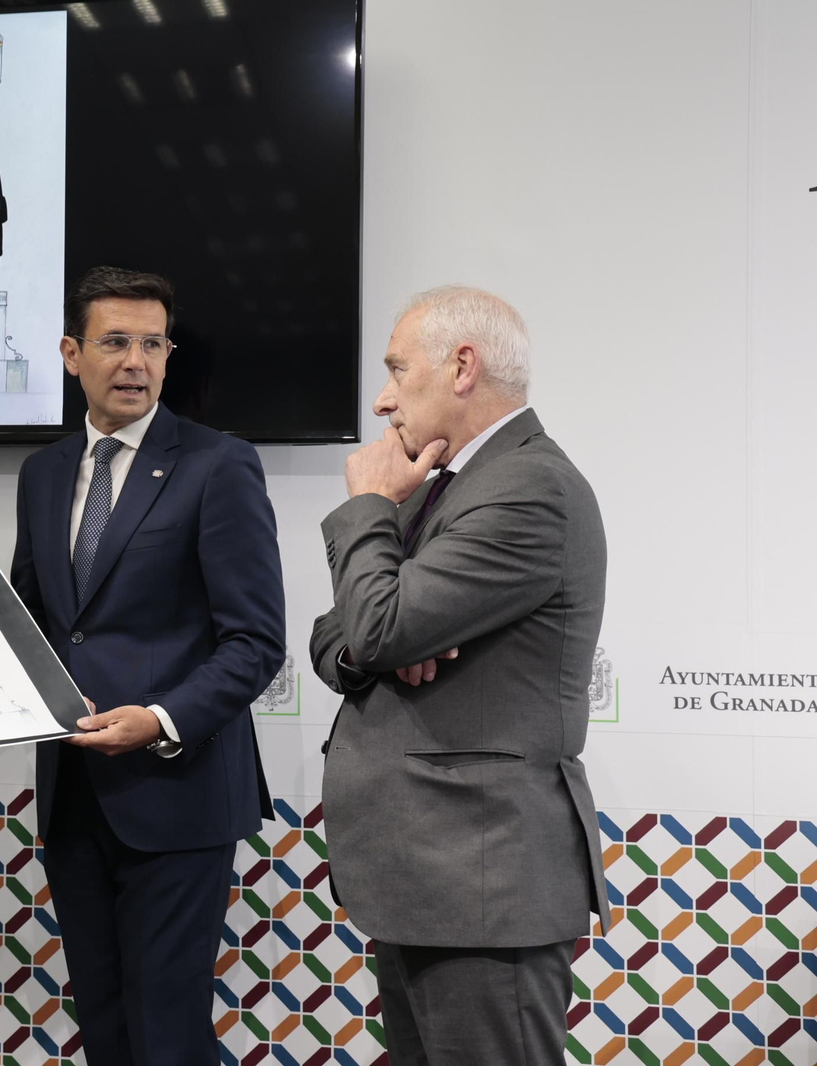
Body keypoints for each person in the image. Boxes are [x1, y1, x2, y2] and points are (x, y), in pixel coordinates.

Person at [309, 285, 608, 1066]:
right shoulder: (448, 484)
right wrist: (376, 638)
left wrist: (370, 504)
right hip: (431, 881)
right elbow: (337, 633)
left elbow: (375, 623)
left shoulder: (527, 486)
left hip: (481, 886)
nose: (382, 399)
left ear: (462, 367)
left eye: (398, 369)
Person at [10, 266, 286, 1065]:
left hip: (178, 790)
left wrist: (161, 720)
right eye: (115, 342)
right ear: (71, 353)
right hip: (73, 793)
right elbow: (34, 620)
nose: (135, 361)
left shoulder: (217, 464)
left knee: (166, 1031)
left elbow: (256, 641)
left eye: (152, 344)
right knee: (105, 1022)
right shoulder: (44, 472)